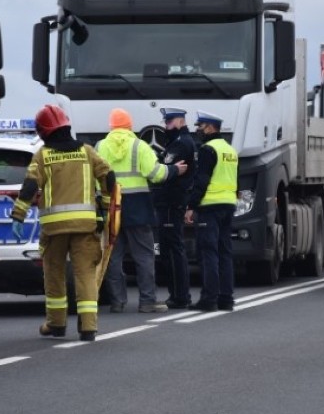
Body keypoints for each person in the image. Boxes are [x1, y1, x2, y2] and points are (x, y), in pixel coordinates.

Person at [10, 105, 114, 341]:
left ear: (44, 131)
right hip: (85, 226)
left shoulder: (43, 155)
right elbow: (108, 177)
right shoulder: (87, 152)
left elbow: (30, 186)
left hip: (54, 229)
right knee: (85, 274)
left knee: (54, 274)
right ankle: (88, 327)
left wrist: (18, 215)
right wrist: (105, 208)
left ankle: (56, 324)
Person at [97, 108, 187, 313]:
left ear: (111, 127)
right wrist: (174, 169)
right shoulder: (139, 145)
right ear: (130, 126)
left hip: (112, 207)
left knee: (113, 256)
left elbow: (95, 177)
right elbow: (155, 174)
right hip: (138, 207)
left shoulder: (100, 146)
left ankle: (117, 302)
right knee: (144, 256)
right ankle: (147, 301)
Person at [185, 111, 238, 312]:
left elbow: (202, 180)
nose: (198, 130)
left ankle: (209, 300)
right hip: (228, 204)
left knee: (208, 253)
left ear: (210, 127)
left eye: (200, 126)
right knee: (225, 252)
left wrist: (191, 206)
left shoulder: (208, 149)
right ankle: (226, 299)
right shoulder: (229, 149)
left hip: (210, 206)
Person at [153, 107, 198, 309]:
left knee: (172, 249)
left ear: (180, 121)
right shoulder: (181, 141)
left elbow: (164, 166)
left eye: (169, 122)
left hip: (172, 201)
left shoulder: (181, 143)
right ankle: (179, 294)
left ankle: (179, 296)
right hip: (173, 201)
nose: (166, 126)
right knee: (172, 248)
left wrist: (161, 164)